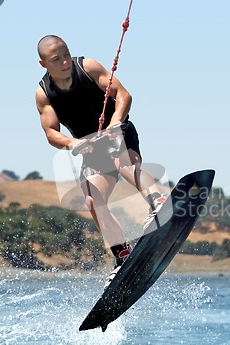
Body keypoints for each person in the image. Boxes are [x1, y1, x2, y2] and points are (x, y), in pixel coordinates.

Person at [35, 35, 166, 286]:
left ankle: (158, 202)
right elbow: (51, 133)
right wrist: (73, 143)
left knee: (124, 163)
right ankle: (123, 255)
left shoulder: (88, 67)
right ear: (43, 64)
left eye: (66, 55)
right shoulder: (44, 93)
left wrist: (116, 122)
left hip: (117, 133)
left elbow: (124, 95)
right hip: (91, 149)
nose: (64, 62)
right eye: (56, 59)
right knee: (93, 199)